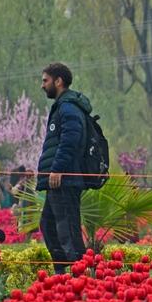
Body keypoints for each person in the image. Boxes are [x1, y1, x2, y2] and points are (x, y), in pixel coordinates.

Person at [36, 62, 93, 274]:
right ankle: (61, 273)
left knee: (68, 229)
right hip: (57, 180)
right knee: (49, 225)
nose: (42, 85)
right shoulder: (62, 106)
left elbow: (71, 140)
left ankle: (81, 275)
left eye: (45, 80)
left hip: (64, 179)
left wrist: (58, 168)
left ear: (58, 81)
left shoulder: (68, 108)